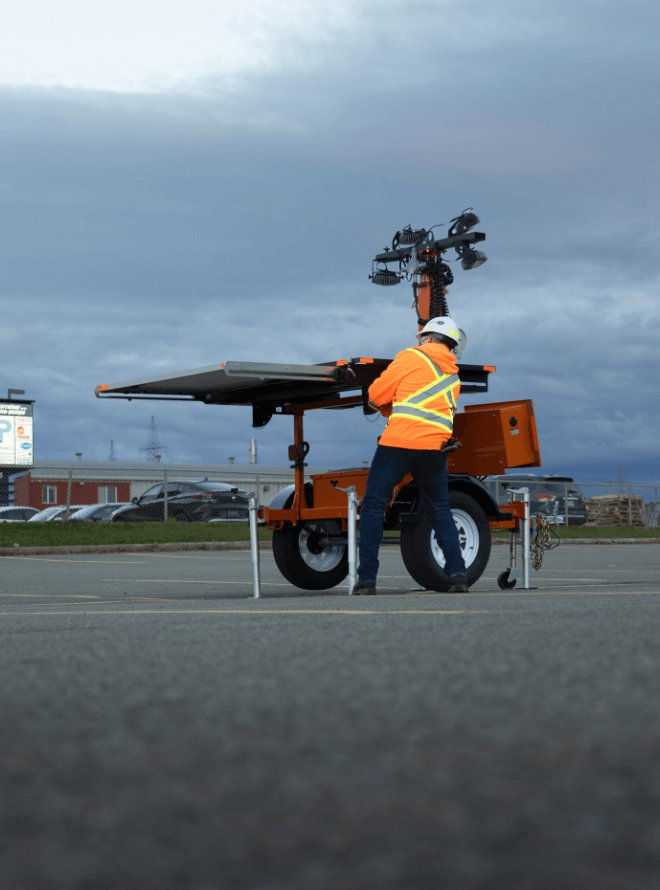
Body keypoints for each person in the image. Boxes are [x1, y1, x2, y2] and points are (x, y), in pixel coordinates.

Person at [354, 316, 468, 594]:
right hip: (434, 451)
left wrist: (376, 404)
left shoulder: (410, 356)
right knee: (439, 509)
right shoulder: (454, 376)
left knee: (372, 506)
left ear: (428, 338)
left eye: (421, 337)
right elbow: (427, 407)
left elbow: (376, 394)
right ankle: (457, 575)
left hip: (399, 444)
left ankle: (367, 580)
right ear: (451, 345)